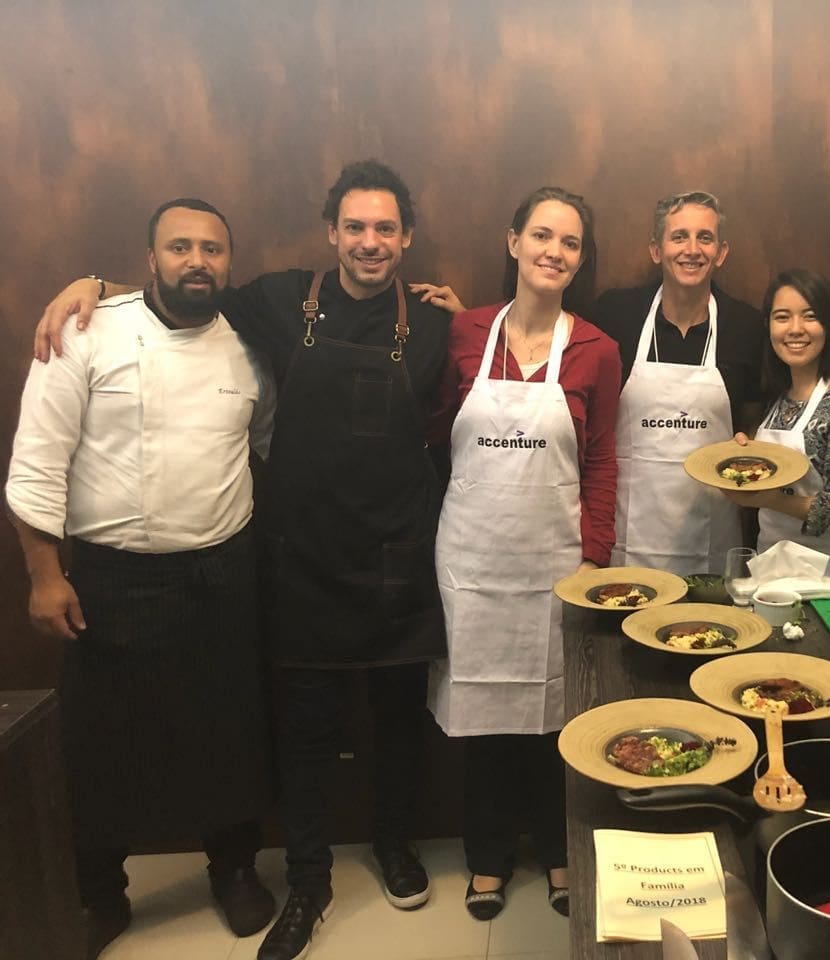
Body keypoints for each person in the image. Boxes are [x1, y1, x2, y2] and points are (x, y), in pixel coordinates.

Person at [34, 160, 456, 960]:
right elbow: (179, 290)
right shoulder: (277, 300)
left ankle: (395, 844)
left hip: (397, 559)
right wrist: (91, 283)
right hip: (300, 564)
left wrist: (464, 311)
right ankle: (307, 880)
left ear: (406, 238)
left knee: (398, 720)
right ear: (331, 233)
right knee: (305, 732)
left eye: (385, 229)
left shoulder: (435, 324)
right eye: (355, 227)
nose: (370, 242)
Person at [7, 199, 276, 958]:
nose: (198, 261)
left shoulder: (249, 348)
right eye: (180, 247)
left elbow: (271, 444)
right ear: (149, 258)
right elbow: (37, 462)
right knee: (101, 741)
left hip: (223, 567)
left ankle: (234, 870)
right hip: (113, 576)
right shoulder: (85, 331)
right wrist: (44, 575)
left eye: (212, 249)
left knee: (228, 728)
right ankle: (100, 893)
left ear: (229, 261)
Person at [427, 186, 621, 921]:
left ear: (580, 258)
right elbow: (433, 430)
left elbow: (602, 461)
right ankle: (487, 856)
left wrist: (594, 557)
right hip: (472, 562)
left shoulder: (598, 350)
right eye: (542, 235)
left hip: (556, 566)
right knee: (486, 720)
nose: (554, 252)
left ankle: (558, 849)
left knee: (556, 717)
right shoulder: (465, 331)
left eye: (570, 242)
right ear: (513, 242)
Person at [589, 191, 764, 573]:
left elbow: (756, 419)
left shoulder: (746, 326)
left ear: (721, 252)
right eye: (679, 236)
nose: (692, 250)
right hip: (627, 537)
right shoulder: (616, 313)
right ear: (656, 250)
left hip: (711, 539)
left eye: (705, 238)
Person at [726, 269, 830, 585]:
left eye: (810, 316)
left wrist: (769, 500)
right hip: (771, 572)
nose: (795, 329)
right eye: (782, 317)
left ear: (828, 325)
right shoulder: (776, 400)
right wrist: (743, 459)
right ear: (768, 326)